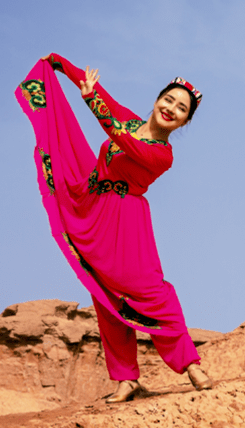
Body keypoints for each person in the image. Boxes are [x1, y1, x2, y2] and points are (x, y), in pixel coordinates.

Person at [16, 54, 212, 403]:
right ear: (156, 100)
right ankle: (126, 379)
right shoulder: (132, 120)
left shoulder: (162, 154)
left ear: (184, 122)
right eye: (168, 99)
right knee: (105, 297)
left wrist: (91, 101)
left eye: (181, 108)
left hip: (127, 220)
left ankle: (190, 364)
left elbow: (122, 140)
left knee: (152, 291)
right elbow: (103, 96)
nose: (171, 108)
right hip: (94, 209)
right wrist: (62, 64)